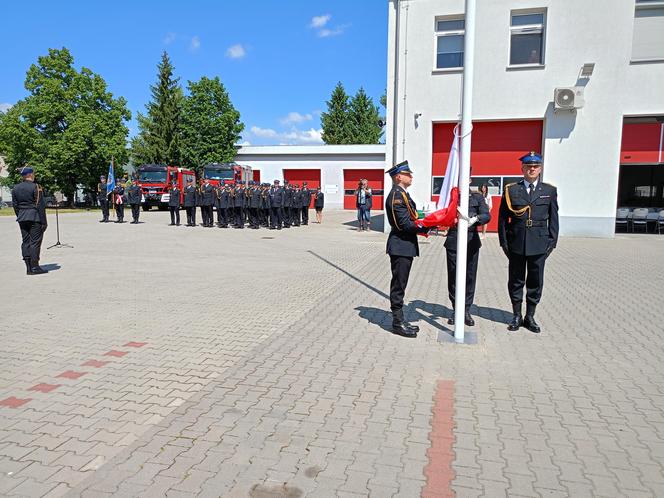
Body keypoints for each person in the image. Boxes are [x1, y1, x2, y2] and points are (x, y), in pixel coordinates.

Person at [498, 151, 559, 334]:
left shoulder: (549, 191)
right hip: (516, 243)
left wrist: (552, 242)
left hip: (539, 244)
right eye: (528, 166)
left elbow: (553, 219)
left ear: (540, 169)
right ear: (522, 168)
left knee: (535, 281)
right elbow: (502, 220)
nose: (532, 169)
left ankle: (530, 316)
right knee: (516, 281)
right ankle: (516, 315)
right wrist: (503, 242)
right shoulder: (511, 190)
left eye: (535, 166)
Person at [385, 161, 429, 337]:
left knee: (401, 284)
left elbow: (413, 216)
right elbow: (403, 224)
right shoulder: (396, 196)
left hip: (405, 245)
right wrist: (426, 226)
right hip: (400, 245)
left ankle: (400, 319)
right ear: (398, 177)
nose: (411, 176)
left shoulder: (403, 194)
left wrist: (428, 220)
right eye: (408, 174)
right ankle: (397, 323)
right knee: (398, 285)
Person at [445, 188, 491, 326]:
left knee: (470, 277)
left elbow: (486, 215)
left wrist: (476, 219)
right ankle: (456, 309)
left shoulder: (477, 197)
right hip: (454, 238)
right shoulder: (451, 194)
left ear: (469, 179)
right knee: (453, 276)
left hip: (471, 240)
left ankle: (466, 310)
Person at [12, 167, 48, 275]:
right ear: (31, 175)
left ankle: (28, 267)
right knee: (35, 242)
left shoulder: (15, 188)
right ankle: (35, 267)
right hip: (34, 217)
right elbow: (40, 205)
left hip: (22, 217)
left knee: (26, 241)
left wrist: (20, 215)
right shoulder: (36, 187)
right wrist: (44, 222)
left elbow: (15, 205)